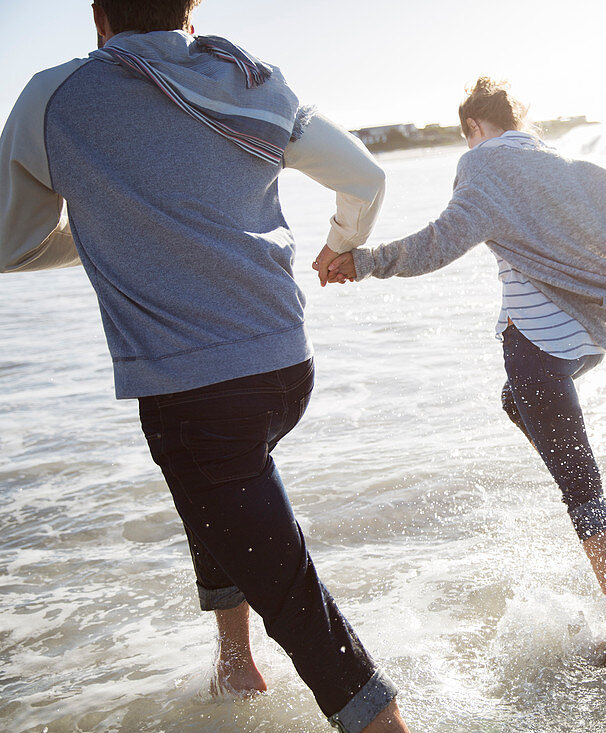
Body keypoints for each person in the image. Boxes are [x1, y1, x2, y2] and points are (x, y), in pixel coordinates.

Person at [0, 2, 408, 731]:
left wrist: (103, 218)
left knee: (303, 614)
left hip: (197, 396)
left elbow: (9, 240)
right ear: (191, 11)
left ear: (98, 16)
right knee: (218, 494)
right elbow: (367, 178)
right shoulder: (254, 79)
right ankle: (234, 665)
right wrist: (342, 244)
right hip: (288, 368)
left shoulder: (54, 97)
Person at [318, 78, 606, 638]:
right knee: (516, 404)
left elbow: (440, 242)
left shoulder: (483, 166)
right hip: (584, 339)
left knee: (581, 487)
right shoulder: (565, 167)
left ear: (474, 128)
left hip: (535, 344)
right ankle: (574, 477)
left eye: (468, 137)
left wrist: (362, 262)